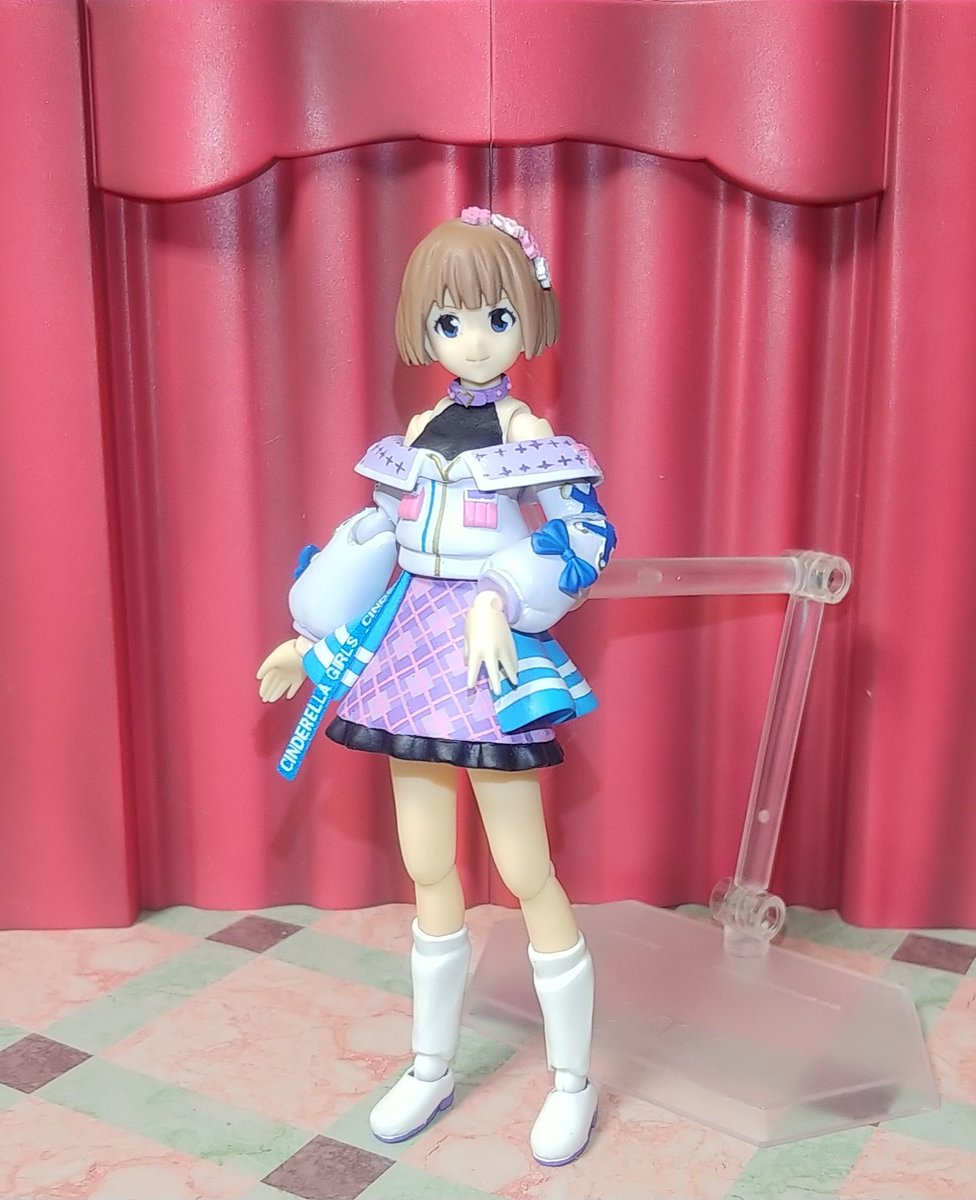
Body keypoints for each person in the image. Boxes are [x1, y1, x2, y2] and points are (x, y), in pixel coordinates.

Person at [258, 208, 614, 1166]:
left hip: (487, 656)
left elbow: (585, 538)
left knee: (525, 868)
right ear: (425, 328)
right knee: (424, 863)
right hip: (408, 646)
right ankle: (430, 1064)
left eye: (496, 317)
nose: (474, 340)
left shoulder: (530, 434)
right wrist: (312, 638)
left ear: (527, 317)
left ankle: (572, 1081)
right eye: (451, 321)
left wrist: (503, 595)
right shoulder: (414, 434)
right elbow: (377, 542)